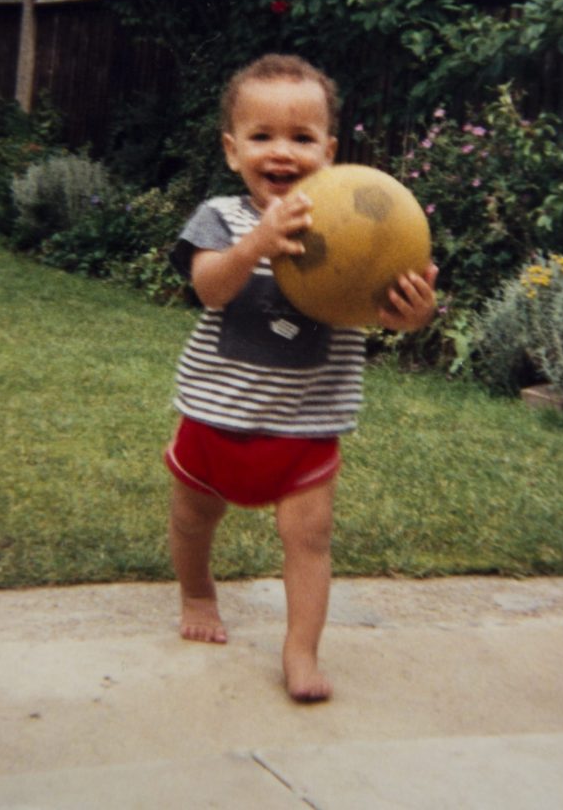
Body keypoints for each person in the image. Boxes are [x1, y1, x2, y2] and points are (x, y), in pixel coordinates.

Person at [164, 54, 438, 702]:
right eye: (261, 136)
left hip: (306, 431)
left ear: (330, 151)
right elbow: (210, 288)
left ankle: (300, 651)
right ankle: (198, 593)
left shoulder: (359, 224)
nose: (281, 151)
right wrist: (257, 243)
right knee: (193, 520)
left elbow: (381, 310)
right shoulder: (221, 219)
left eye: (301, 137)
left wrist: (413, 317)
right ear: (233, 151)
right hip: (215, 420)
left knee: (309, 540)